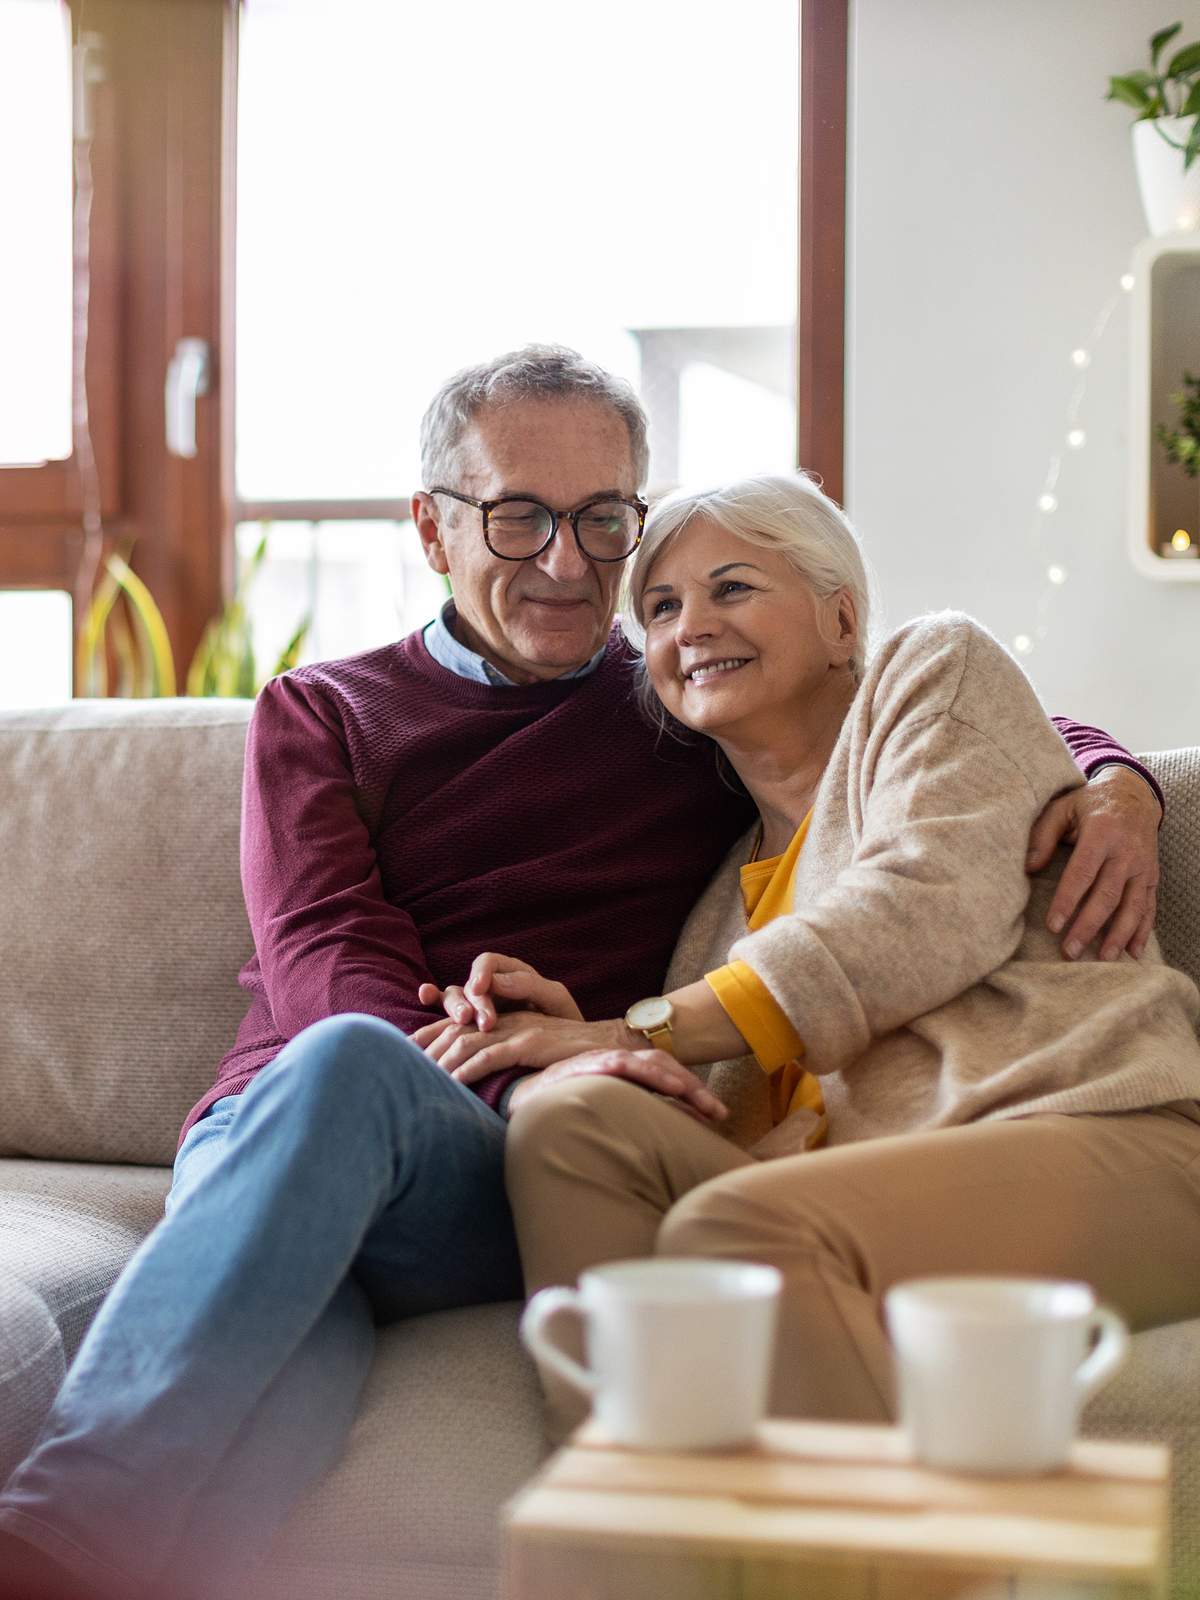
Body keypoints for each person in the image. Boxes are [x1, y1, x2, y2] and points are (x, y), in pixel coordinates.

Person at [0, 355, 1166, 1600]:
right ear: (432, 526)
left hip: (522, 1155)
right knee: (327, 1172)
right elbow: (325, 958)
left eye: (604, 517)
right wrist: (519, 1065)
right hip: (311, 1119)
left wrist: (1117, 780)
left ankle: (43, 1549)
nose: (566, 562)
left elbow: (922, 732)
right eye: (517, 516)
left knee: (368, 1196)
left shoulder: (676, 693)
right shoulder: (327, 710)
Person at [419, 470, 1200, 1441]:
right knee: (572, 1119)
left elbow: (916, 911)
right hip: (872, 1195)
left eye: (733, 587)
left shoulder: (933, 675)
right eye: (660, 607)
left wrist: (629, 1026)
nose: (689, 624)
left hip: (1104, 1136)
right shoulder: (715, 910)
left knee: (741, 1233)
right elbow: (734, 1106)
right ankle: (643, 1518)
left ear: (840, 620)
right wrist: (585, 1044)